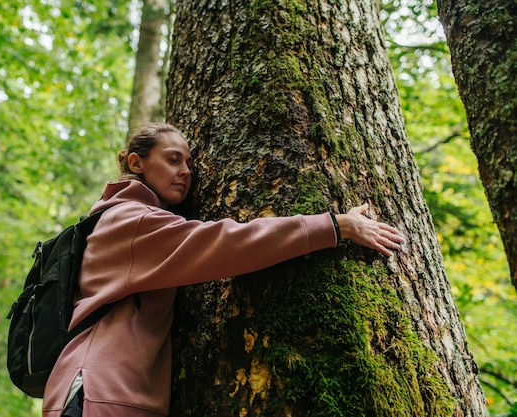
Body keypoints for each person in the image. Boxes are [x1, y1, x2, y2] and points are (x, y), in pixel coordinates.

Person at [42, 123, 404, 417]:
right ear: (137, 163)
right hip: (97, 394)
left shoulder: (122, 218)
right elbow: (225, 243)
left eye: (188, 163)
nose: (185, 171)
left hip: (112, 395)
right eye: (172, 159)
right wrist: (334, 226)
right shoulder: (129, 219)